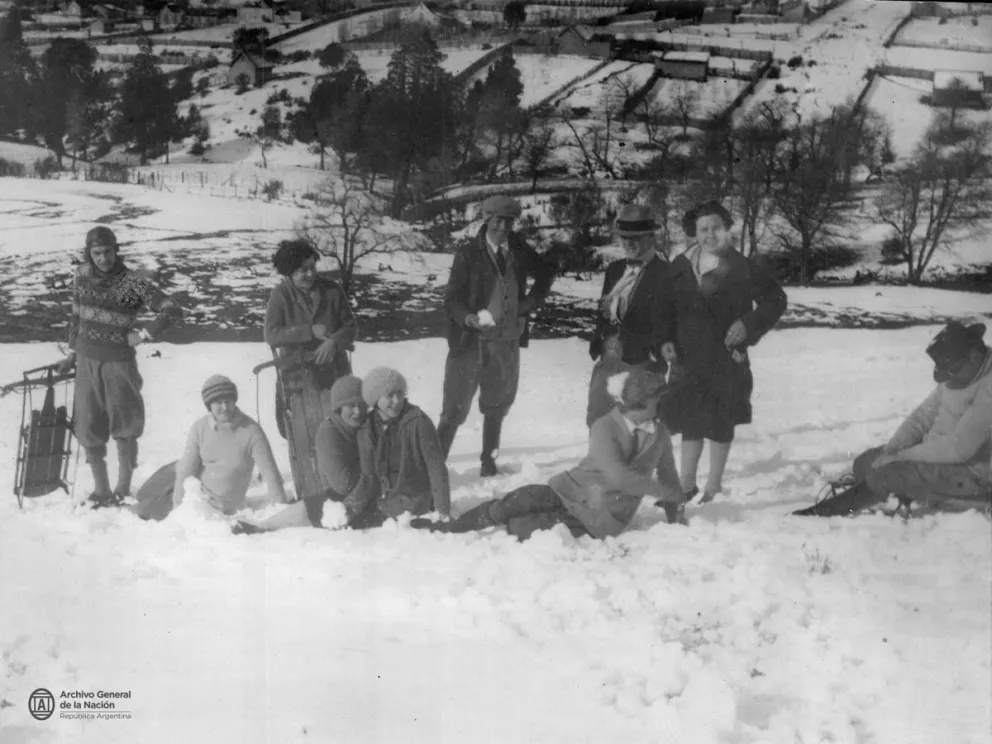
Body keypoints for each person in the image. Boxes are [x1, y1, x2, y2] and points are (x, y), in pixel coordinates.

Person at [413, 368, 687, 540]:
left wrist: (676, 513)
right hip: (569, 489)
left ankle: (512, 527)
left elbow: (668, 474)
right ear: (638, 404)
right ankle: (452, 529)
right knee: (519, 499)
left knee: (526, 527)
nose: (660, 407)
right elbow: (617, 475)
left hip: (600, 516)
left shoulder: (659, 435)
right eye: (656, 402)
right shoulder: (605, 426)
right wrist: (666, 492)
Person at [795, 321, 992, 518]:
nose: (949, 380)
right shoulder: (959, 374)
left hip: (972, 473)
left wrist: (900, 458)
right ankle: (898, 489)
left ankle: (823, 514)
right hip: (938, 456)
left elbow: (958, 448)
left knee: (886, 475)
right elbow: (921, 418)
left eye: (952, 372)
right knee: (865, 463)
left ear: (974, 357)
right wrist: (892, 450)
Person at [664, 201, 786, 504]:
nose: (710, 234)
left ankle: (713, 487)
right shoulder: (680, 266)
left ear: (727, 228)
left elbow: (776, 298)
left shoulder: (742, 267)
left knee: (720, 421)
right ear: (694, 232)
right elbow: (664, 309)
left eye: (716, 227)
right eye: (703, 229)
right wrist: (664, 340)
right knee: (689, 421)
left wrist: (749, 324)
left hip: (725, 358)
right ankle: (686, 485)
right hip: (686, 358)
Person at [57, 225, 182, 508]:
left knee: (124, 424)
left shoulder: (128, 284)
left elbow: (171, 308)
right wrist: (71, 353)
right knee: (88, 424)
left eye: (107, 252)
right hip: (87, 361)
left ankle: (122, 490)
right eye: (96, 253)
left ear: (117, 250)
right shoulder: (82, 276)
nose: (103, 259)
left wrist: (143, 335)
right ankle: (101, 491)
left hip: (118, 364)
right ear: (88, 253)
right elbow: (77, 314)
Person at [437, 194, 555, 476]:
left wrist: (530, 302)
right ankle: (435, 464)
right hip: (471, 343)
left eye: (509, 221)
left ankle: (488, 461)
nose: (503, 227)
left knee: (497, 403)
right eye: (498, 221)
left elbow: (545, 274)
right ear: (487, 220)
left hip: (506, 341)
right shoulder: (468, 253)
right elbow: (452, 298)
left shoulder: (519, 249)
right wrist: (467, 317)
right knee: (455, 405)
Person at [131, 376, 289, 521]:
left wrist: (282, 507)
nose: (225, 407)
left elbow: (270, 472)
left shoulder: (251, 431)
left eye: (228, 400)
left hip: (208, 503)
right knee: (178, 466)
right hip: (193, 485)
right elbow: (187, 470)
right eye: (218, 402)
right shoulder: (200, 427)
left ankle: (145, 502)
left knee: (140, 511)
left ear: (235, 401)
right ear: (209, 405)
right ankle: (143, 495)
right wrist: (179, 507)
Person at [234, 375, 375, 532]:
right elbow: (343, 485)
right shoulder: (329, 433)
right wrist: (370, 467)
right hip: (346, 495)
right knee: (319, 504)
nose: (358, 411)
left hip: (369, 494)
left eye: (362, 405)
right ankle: (262, 527)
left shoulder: (368, 426)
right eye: (351, 405)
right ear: (339, 407)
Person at [586, 204, 677, 428]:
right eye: (624, 237)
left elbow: (672, 320)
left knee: (638, 425)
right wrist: (600, 344)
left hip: (643, 361)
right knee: (599, 420)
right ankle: (603, 462)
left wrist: (658, 352)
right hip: (610, 357)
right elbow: (604, 310)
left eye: (635, 237)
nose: (628, 243)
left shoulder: (666, 273)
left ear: (650, 237)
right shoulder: (615, 269)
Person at [264, 239, 358, 416]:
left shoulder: (332, 291)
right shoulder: (280, 295)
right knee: (301, 429)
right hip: (296, 376)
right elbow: (271, 334)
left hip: (334, 371)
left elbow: (350, 327)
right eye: (303, 270)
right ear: (289, 272)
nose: (310, 274)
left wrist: (334, 342)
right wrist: (310, 331)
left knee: (339, 423)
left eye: (312, 267)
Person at [353, 367, 450, 527]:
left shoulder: (418, 422)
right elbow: (367, 474)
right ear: (375, 399)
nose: (397, 401)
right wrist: (351, 508)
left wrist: (443, 511)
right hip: (385, 504)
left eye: (400, 393)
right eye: (390, 395)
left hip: (415, 504)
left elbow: (436, 468)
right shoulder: (367, 429)